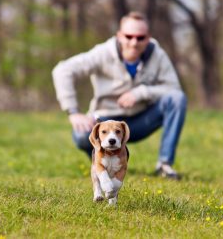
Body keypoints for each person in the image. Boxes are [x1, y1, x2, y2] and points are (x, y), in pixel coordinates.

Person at [52, 11, 187, 180]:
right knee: (80, 135)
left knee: (177, 99)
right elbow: (62, 70)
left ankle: (164, 165)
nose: (134, 42)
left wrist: (141, 92)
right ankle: (101, 163)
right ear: (119, 36)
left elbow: (174, 88)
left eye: (140, 37)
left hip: (141, 121)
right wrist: (73, 111)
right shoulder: (103, 52)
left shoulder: (157, 54)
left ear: (148, 37)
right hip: (105, 120)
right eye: (129, 36)